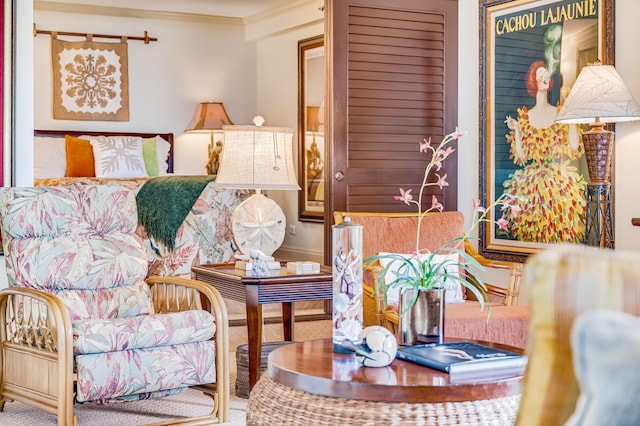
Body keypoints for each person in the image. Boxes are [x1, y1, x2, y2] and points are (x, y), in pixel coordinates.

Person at [502, 61, 586, 243]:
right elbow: (521, 156)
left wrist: (570, 118)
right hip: (531, 186)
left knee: (558, 228)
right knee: (532, 231)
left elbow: (573, 146)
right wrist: (517, 129)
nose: (545, 78)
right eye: (541, 74)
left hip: (556, 185)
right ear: (534, 80)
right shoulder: (526, 117)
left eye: (547, 74)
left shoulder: (559, 113)